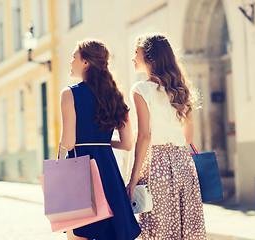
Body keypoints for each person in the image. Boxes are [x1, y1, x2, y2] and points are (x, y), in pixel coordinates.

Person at [126, 34, 207, 239]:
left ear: (149, 57)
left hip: (157, 165)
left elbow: (145, 136)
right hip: (183, 164)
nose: (133, 57)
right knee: (184, 229)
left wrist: (133, 178)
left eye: (136, 52)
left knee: (158, 230)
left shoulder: (141, 90)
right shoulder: (181, 90)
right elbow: (188, 137)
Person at [60, 39, 141, 240]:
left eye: (74, 57)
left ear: (86, 62)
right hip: (108, 171)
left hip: (80, 170)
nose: (70, 62)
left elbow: (68, 143)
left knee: (79, 230)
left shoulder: (69, 93)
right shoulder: (115, 95)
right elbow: (127, 144)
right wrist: (102, 142)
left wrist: (61, 157)